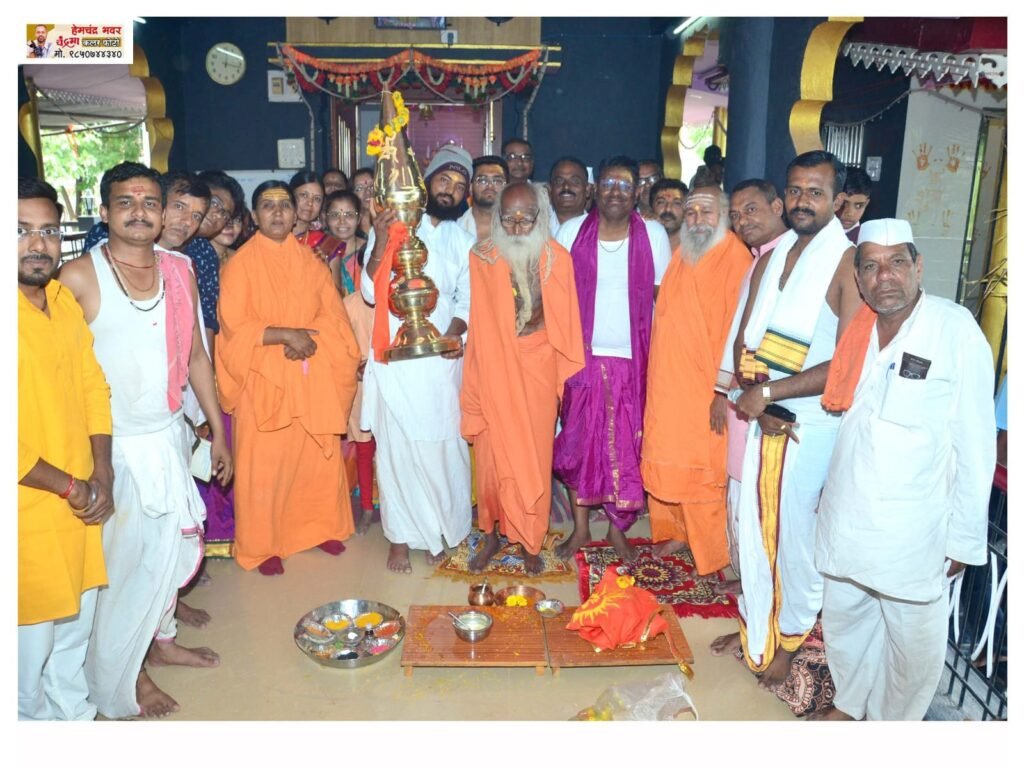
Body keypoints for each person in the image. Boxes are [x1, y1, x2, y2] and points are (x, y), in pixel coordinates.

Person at [57, 161, 232, 719]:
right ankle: (125, 677)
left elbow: (197, 356)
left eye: (150, 202)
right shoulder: (77, 277)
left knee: (162, 557)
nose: (140, 212)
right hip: (109, 447)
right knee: (123, 571)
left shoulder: (179, 270)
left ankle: (161, 642)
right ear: (104, 211)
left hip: (166, 436)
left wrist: (218, 431)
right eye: (126, 202)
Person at [813, 219, 994, 720]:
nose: (885, 275)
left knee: (912, 648)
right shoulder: (858, 329)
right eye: (871, 265)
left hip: (914, 529)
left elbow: (976, 444)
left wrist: (963, 539)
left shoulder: (954, 329)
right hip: (850, 513)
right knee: (846, 620)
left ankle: (891, 729)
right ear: (859, 277)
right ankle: (850, 704)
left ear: (918, 267)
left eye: (897, 262)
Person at [709, 151, 862, 689]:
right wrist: (752, 392)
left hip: (808, 424)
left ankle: (791, 640)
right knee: (754, 530)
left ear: (838, 201)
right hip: (764, 414)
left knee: (792, 538)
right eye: (795, 190)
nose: (802, 201)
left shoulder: (847, 263)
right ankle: (758, 624)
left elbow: (846, 362)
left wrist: (771, 393)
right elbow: (745, 330)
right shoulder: (773, 257)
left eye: (816, 192)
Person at [216, 180, 361, 576]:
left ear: (296, 214)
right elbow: (233, 328)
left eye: (284, 205)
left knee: (313, 458)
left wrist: (306, 339)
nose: (278, 212)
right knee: (265, 466)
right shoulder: (239, 266)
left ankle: (319, 528)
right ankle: (263, 546)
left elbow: (334, 317)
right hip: (262, 378)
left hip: (309, 370)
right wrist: (284, 335)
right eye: (268, 205)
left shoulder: (311, 263)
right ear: (254, 216)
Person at [18, 177, 114, 720]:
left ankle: (75, 724)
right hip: (28, 512)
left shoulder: (61, 300)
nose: (39, 244)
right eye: (20, 231)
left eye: (49, 231)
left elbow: (92, 386)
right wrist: (71, 486)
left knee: (73, 637)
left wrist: (102, 471)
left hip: (80, 504)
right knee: (25, 662)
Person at [552, 156, 672, 561]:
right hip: (579, 359)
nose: (615, 192)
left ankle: (617, 530)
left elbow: (662, 300)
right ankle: (581, 528)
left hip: (634, 360)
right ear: (594, 190)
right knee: (578, 445)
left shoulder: (653, 234)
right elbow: (556, 295)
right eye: (607, 184)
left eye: (624, 185)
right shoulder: (571, 231)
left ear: (637, 191)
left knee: (626, 447)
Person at [463, 183, 585, 574]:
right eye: (509, 219)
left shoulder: (557, 259)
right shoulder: (482, 257)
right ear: (497, 218)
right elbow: (480, 322)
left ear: (540, 217)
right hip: (495, 363)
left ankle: (531, 539)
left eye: (525, 219)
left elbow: (566, 321)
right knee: (491, 457)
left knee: (534, 454)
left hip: (538, 363)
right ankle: (491, 534)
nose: (516, 227)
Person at [363, 144, 474, 573]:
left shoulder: (462, 240)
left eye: (460, 185)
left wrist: (453, 334)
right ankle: (400, 537)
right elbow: (371, 292)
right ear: (425, 183)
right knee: (396, 449)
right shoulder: (393, 226)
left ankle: (441, 530)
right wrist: (379, 240)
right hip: (394, 355)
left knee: (441, 447)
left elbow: (467, 299)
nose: (451, 190)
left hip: (440, 357)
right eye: (444, 179)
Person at [642, 186, 752, 574]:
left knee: (702, 468)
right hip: (670, 384)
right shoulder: (682, 254)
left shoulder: (736, 258)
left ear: (723, 216)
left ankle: (713, 553)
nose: (697, 220)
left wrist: (723, 390)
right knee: (669, 458)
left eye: (706, 212)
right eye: (691, 213)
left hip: (708, 388)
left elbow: (739, 332)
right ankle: (677, 531)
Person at [291, 171, 347, 266]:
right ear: (290, 197)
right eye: (304, 195)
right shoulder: (273, 237)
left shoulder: (327, 245)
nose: (310, 203)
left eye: (317, 199)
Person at [323, 189, 366, 295]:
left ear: (359, 218)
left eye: (349, 215)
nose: (342, 222)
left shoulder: (369, 250)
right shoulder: (319, 252)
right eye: (334, 215)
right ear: (326, 218)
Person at [459, 155, 508, 241]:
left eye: (497, 181)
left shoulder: (517, 229)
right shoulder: (456, 228)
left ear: (507, 188)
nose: (490, 186)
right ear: (470, 187)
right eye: (482, 180)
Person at [548, 156, 592, 236]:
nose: (566, 186)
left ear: (587, 190)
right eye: (559, 181)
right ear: (550, 190)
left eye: (575, 181)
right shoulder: (536, 229)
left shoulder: (598, 231)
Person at [649, 178, 688, 251]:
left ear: (686, 211)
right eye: (661, 202)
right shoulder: (640, 243)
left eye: (677, 203)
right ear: (651, 207)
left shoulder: (696, 249)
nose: (668, 209)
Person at [838, 167, 873, 243]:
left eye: (858, 206)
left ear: (866, 204)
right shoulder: (814, 234)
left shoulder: (867, 241)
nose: (850, 213)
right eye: (843, 204)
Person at [351, 167, 375, 238]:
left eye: (372, 187)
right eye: (360, 188)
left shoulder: (390, 221)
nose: (367, 192)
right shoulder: (348, 225)